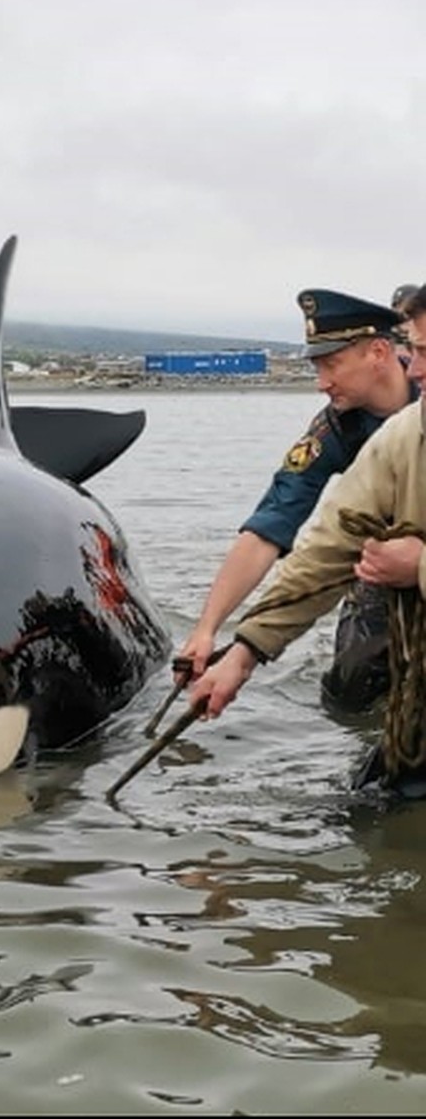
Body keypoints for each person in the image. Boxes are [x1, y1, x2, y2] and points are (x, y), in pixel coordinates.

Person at [187, 286, 426, 795]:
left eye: (331, 364)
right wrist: (230, 644)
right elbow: (299, 535)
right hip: (378, 572)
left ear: (379, 351)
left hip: (411, 565)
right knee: (352, 697)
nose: (320, 384)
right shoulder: (356, 432)